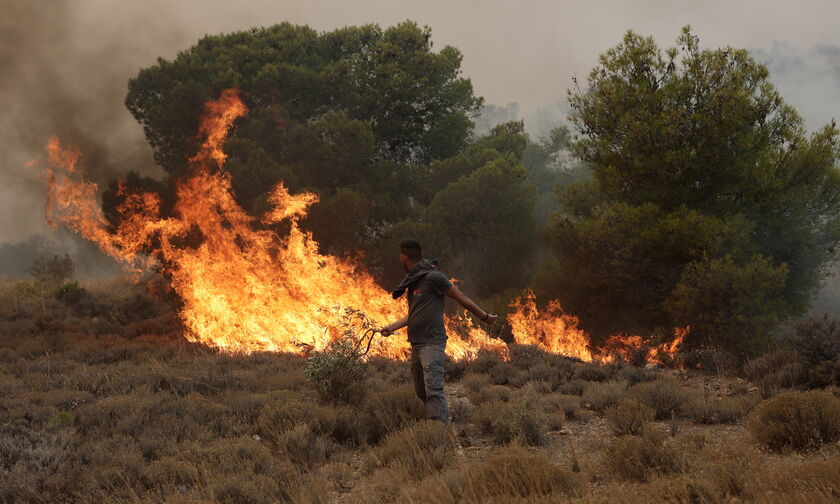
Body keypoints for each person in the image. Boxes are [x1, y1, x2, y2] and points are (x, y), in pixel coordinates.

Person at [380, 240, 498, 423]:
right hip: (416, 342)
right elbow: (413, 314)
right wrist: (392, 327)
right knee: (421, 390)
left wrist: (484, 316)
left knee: (433, 389)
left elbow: (461, 297)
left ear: (403, 257)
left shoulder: (433, 277)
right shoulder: (413, 281)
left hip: (432, 342)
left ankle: (439, 432)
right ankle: (439, 419)